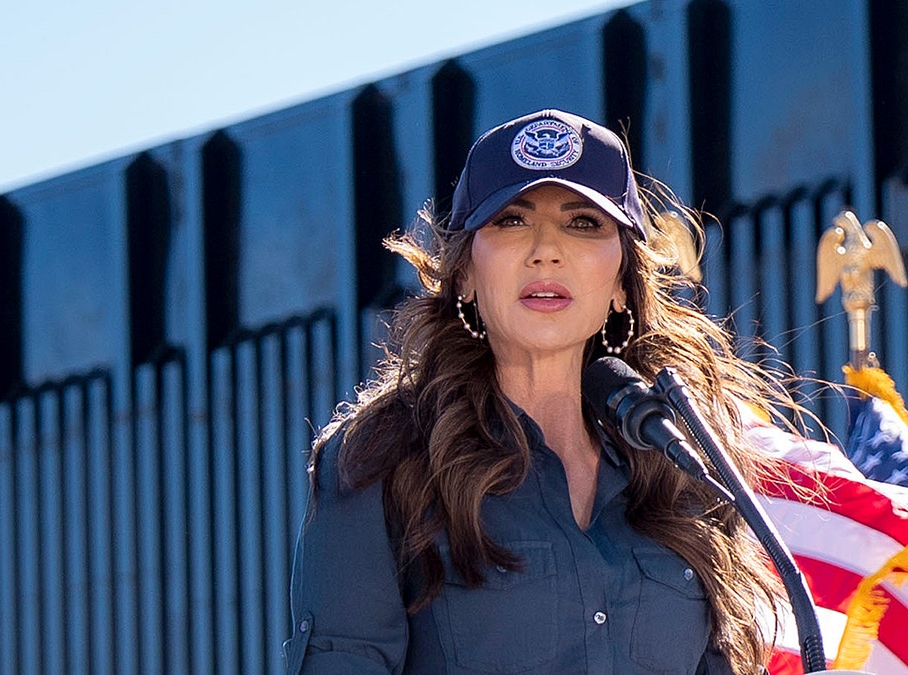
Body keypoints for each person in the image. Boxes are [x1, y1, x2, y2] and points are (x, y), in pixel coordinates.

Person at [284, 109, 793, 674]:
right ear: (465, 276)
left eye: (583, 224)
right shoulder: (380, 460)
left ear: (624, 282)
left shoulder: (682, 462)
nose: (546, 250)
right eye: (510, 221)